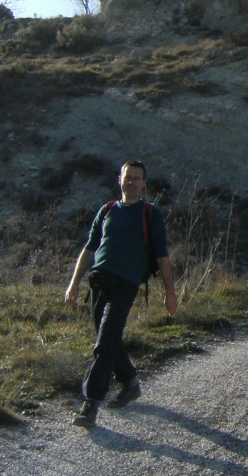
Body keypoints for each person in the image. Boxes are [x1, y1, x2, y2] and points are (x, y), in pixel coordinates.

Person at [64, 160, 177, 428]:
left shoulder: (150, 214)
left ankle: (90, 404)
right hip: (99, 282)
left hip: (127, 284)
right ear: (120, 179)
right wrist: (73, 283)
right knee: (109, 338)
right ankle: (130, 382)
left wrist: (170, 293)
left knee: (104, 343)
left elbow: (162, 258)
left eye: (137, 178)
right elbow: (89, 249)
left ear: (144, 183)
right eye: (128, 177)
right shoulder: (107, 211)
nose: (132, 182)